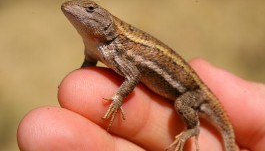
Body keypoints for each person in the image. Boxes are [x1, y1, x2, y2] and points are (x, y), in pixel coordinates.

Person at [17, 59, 265, 150]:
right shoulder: (97, 47)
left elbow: (133, 76)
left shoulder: (119, 43)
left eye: (91, 9)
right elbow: (89, 64)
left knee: (182, 106)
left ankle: (193, 129)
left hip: (192, 93)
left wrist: (118, 97)